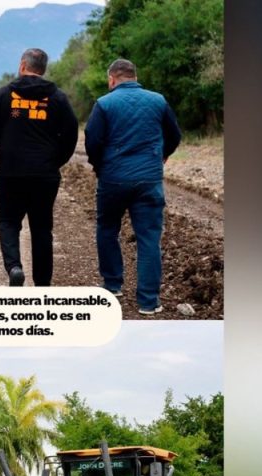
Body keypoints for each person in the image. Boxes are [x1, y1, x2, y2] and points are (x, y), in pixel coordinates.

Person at [84, 58, 183, 315]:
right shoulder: (158, 101)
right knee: (148, 237)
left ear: (112, 79)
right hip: (149, 179)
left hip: (113, 179)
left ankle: (113, 286)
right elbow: (174, 135)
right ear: (134, 77)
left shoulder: (104, 104)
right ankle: (149, 302)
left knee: (107, 229)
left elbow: (92, 141)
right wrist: (162, 154)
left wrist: (99, 167)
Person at [0, 48, 80, 287]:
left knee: (9, 222)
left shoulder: (4, 95)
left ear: (23, 65)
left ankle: (14, 267)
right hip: (45, 175)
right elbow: (71, 133)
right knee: (42, 228)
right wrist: (56, 161)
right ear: (42, 69)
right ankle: (43, 285)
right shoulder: (57, 97)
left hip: (11, 173)